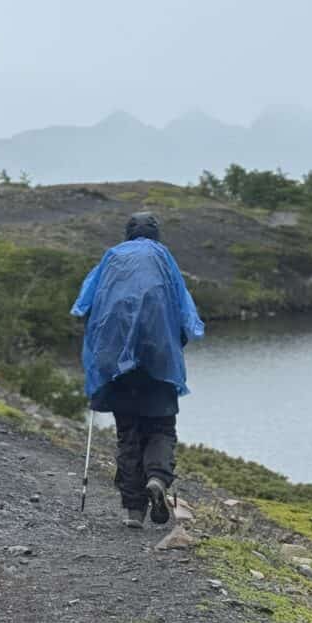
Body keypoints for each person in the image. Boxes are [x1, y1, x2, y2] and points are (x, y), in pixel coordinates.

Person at [71, 212, 204, 528]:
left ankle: (133, 510)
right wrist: (175, 344)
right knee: (160, 427)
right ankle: (157, 478)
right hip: (158, 362)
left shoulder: (112, 258)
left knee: (128, 433)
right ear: (156, 234)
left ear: (128, 233)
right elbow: (185, 310)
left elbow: (84, 305)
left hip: (116, 364)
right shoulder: (163, 259)